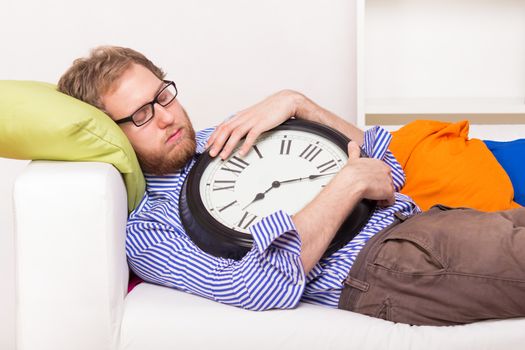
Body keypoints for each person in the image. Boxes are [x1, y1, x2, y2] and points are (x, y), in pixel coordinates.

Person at [57, 46, 525, 326]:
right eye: (139, 115)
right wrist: (345, 186)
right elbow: (261, 287)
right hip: (384, 266)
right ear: (111, 133)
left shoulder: (228, 135)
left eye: (162, 95)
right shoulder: (149, 228)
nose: (165, 117)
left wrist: (299, 104)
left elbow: (387, 168)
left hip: (430, 220)